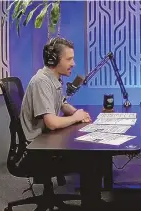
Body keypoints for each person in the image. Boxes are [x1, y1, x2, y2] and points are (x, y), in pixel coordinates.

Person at [19, 37, 92, 186]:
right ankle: (91, 205)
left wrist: (76, 113)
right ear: (53, 60)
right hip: (37, 149)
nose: (73, 63)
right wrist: (76, 117)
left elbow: (61, 103)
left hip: (45, 140)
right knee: (90, 158)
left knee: (88, 151)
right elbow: (51, 123)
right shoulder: (41, 81)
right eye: (69, 59)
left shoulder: (54, 79)